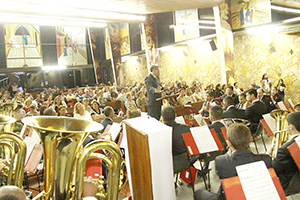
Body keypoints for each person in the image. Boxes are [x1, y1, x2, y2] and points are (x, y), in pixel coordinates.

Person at [194, 123, 272, 200]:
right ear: (250, 140)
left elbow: (220, 174)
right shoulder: (266, 159)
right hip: (254, 195)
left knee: (198, 193)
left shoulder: (221, 161)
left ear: (229, 143)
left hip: (229, 197)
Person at [271, 111, 300, 194]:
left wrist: (269, 154)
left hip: (292, 184)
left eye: (286, 124)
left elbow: (275, 169)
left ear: (291, 127)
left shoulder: (284, 149)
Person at [161, 106, 190, 173]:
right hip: (185, 162)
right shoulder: (185, 128)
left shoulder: (160, 133)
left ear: (162, 118)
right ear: (176, 116)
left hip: (168, 166)